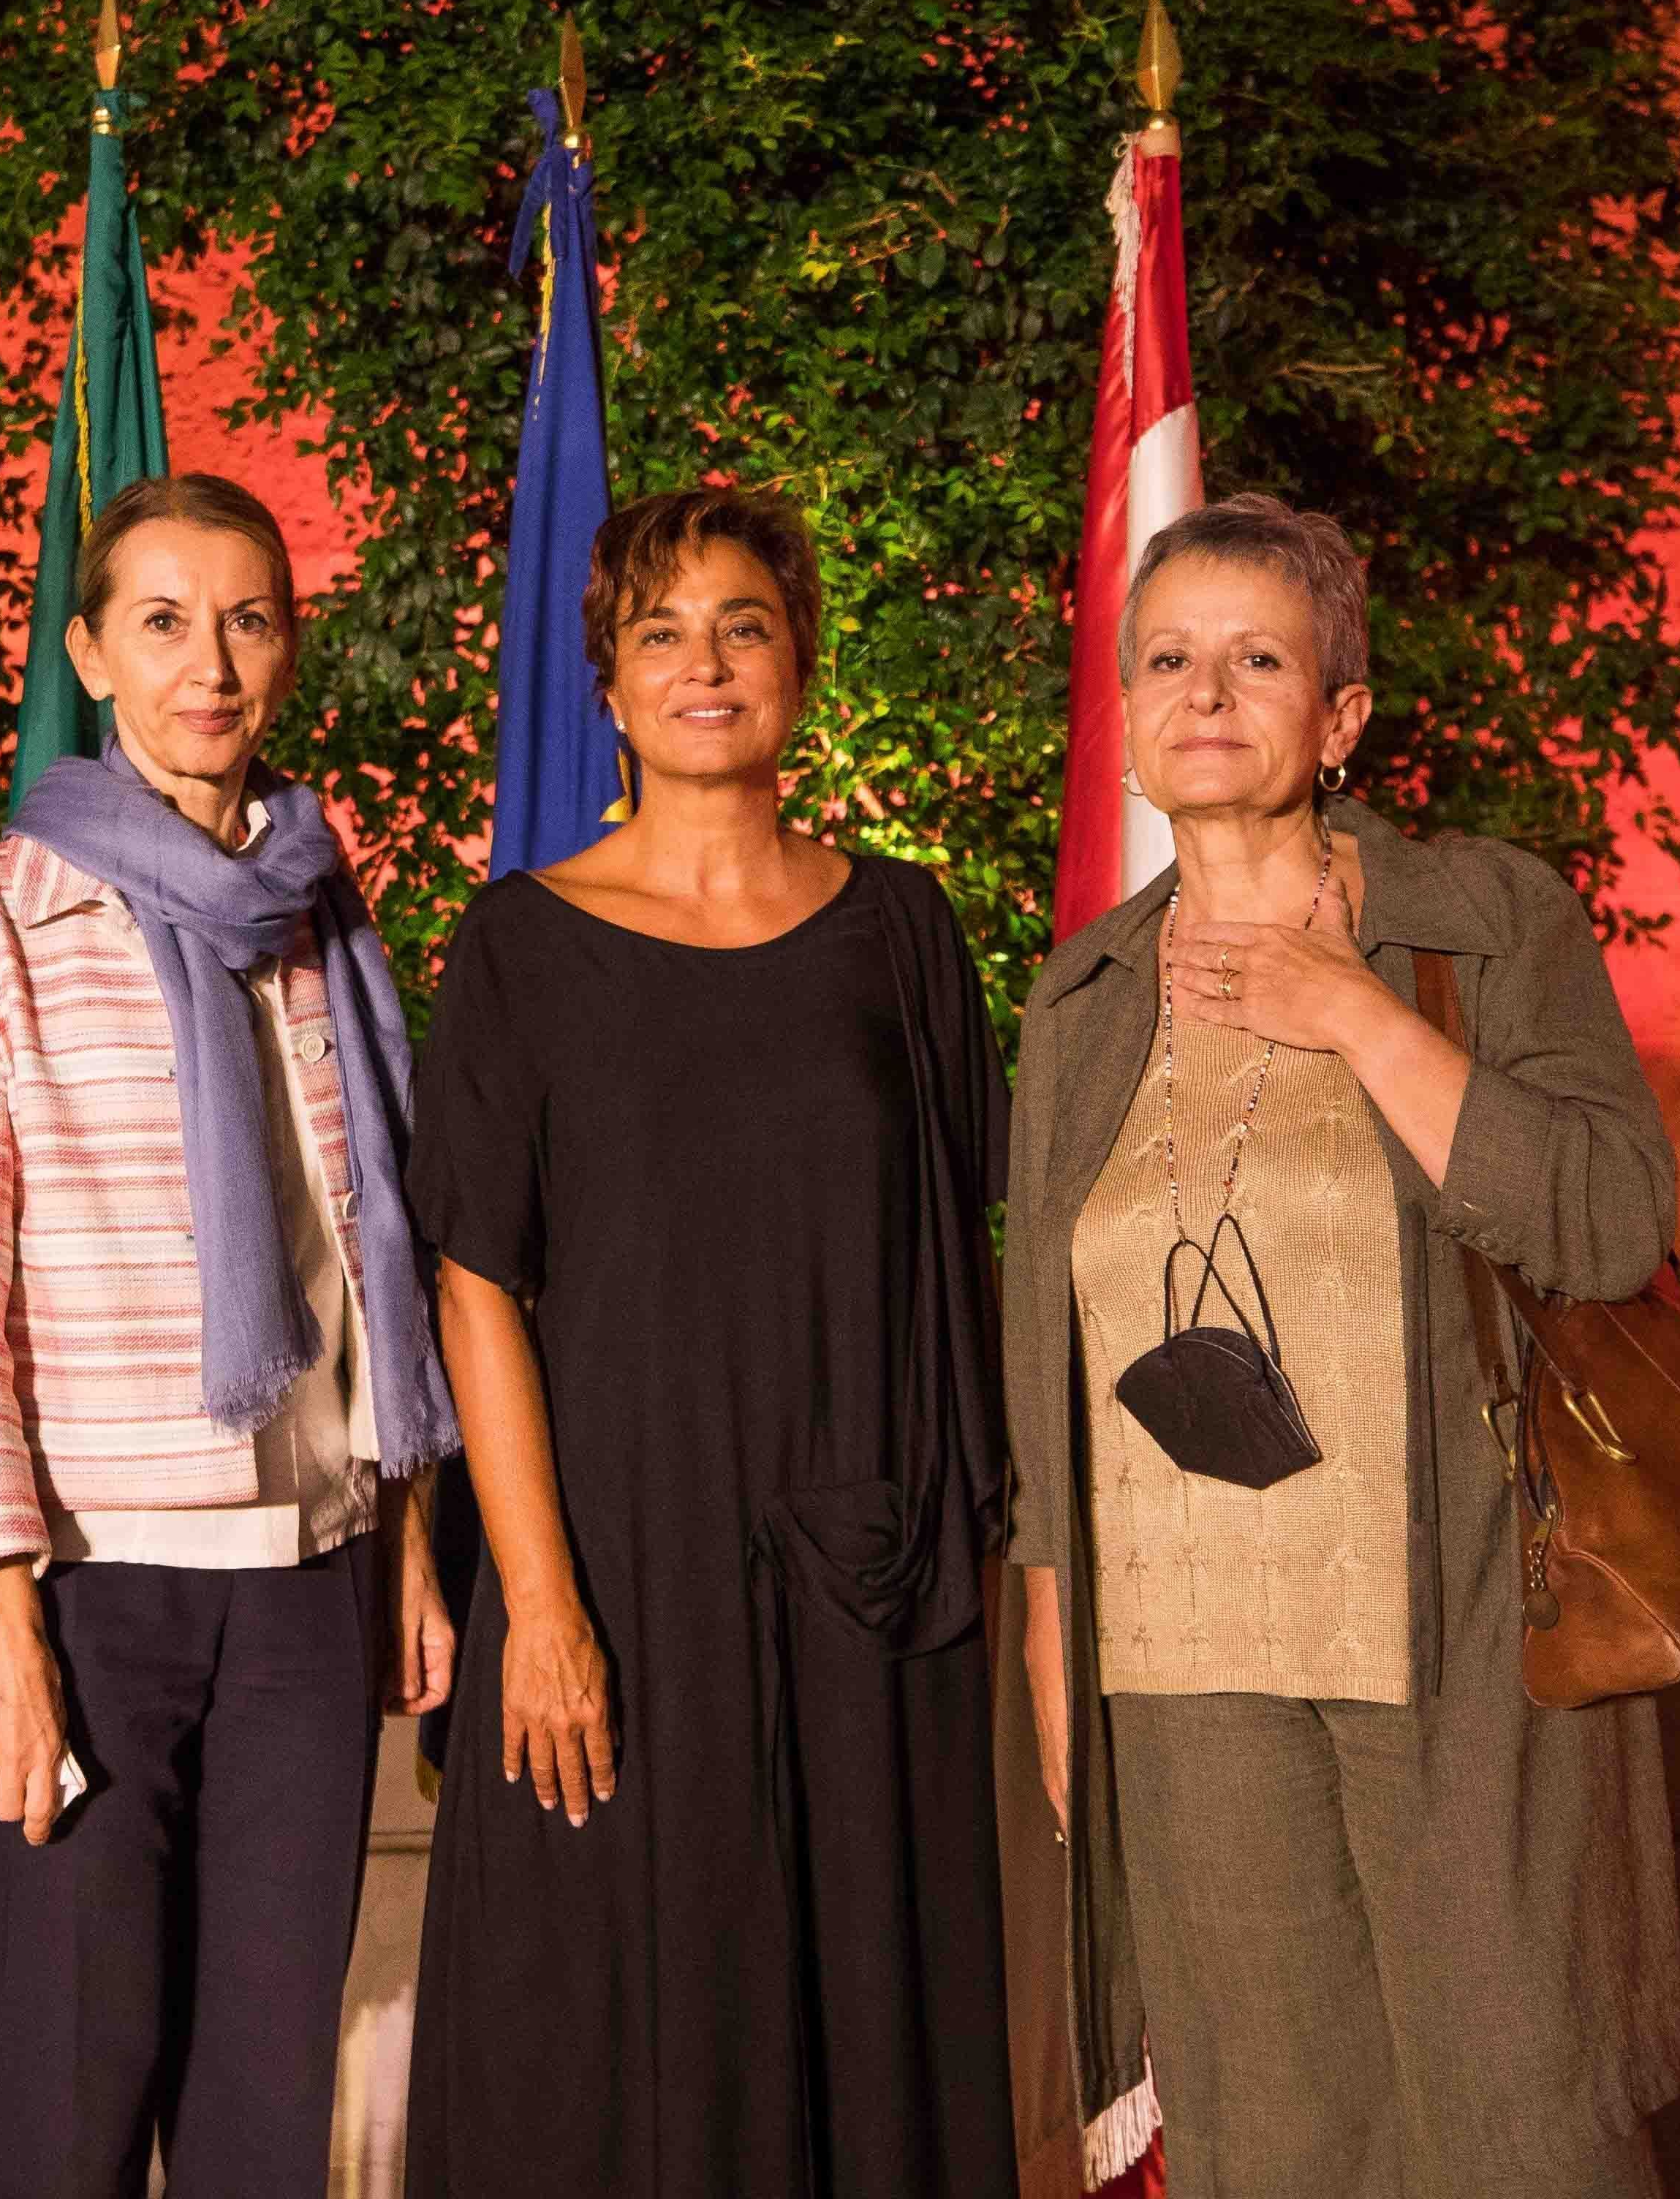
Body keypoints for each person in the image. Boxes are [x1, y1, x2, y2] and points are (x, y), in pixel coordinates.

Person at [1004, 492, 1680, 2197]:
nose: (1206, 693)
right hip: (1183, 1672)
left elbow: (1610, 1219)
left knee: (1525, 2128)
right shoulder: (1081, 1004)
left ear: (1341, 718)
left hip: (1453, 1634)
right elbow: (1048, 1365)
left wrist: (1365, 1021)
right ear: (1128, 717)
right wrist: (1055, 1649)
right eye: (1168, 661)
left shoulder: (1481, 924)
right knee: (1275, 2147)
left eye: (1258, 660)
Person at [404, 485, 1019, 2199]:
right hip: (618, 1567)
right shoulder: (520, 946)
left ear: (799, 667)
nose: (706, 663)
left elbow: (964, 1259)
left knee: (867, 2032)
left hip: (863, 1578)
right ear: (607, 685)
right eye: (661, 632)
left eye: (744, 625)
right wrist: (539, 1608)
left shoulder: (904, 932)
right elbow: (475, 1289)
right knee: (605, 2035)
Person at [0, 470, 463, 2199]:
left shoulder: (323, 922)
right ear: (90, 654)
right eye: (163, 622)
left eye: (248, 621)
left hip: (310, 1592)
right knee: (67, 2122)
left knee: (262, 2131)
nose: (210, 664)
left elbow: (371, 1262)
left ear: (287, 648)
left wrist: (404, 1543)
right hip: (83, 1595)